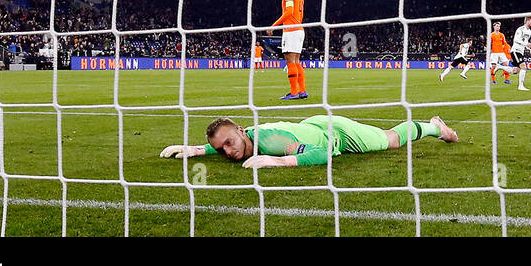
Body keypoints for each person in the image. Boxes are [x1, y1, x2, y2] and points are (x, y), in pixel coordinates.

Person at [160, 114, 458, 167]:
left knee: (389, 140)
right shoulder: (244, 137)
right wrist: (196, 150)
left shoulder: (273, 142)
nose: (227, 151)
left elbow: (322, 154)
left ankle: (433, 126)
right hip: (310, 125)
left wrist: (278, 160)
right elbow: (227, 147)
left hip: (335, 133)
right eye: (220, 149)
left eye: (228, 143)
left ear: (240, 130)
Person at [269, 0, 306, 100]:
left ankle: (294, 92)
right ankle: (302, 91)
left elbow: (289, 12)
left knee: (290, 61)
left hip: (291, 31)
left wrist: (274, 25)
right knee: (296, 61)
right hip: (299, 29)